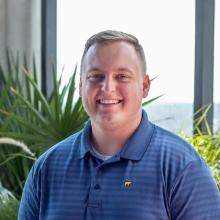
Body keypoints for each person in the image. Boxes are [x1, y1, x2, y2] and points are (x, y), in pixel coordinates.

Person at [19, 30, 220, 220]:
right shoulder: (46, 168)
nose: (107, 87)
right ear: (81, 86)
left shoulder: (183, 168)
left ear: (144, 86)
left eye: (121, 76)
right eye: (95, 76)